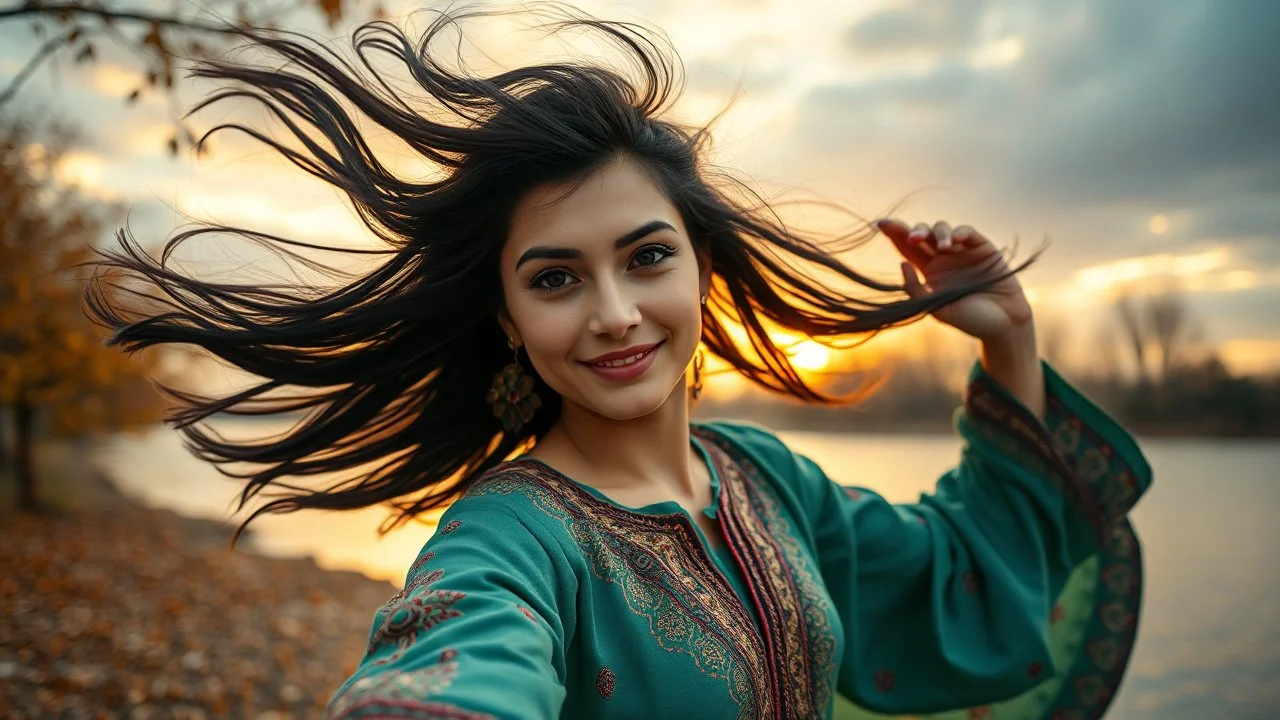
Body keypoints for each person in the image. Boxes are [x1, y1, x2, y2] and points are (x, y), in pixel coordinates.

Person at [85, 7, 1150, 720]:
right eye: (553, 279)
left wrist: (1009, 335)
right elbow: (452, 658)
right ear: (506, 318)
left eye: (646, 258)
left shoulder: (765, 478)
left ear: (698, 270)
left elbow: (951, 575)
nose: (612, 314)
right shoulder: (512, 532)